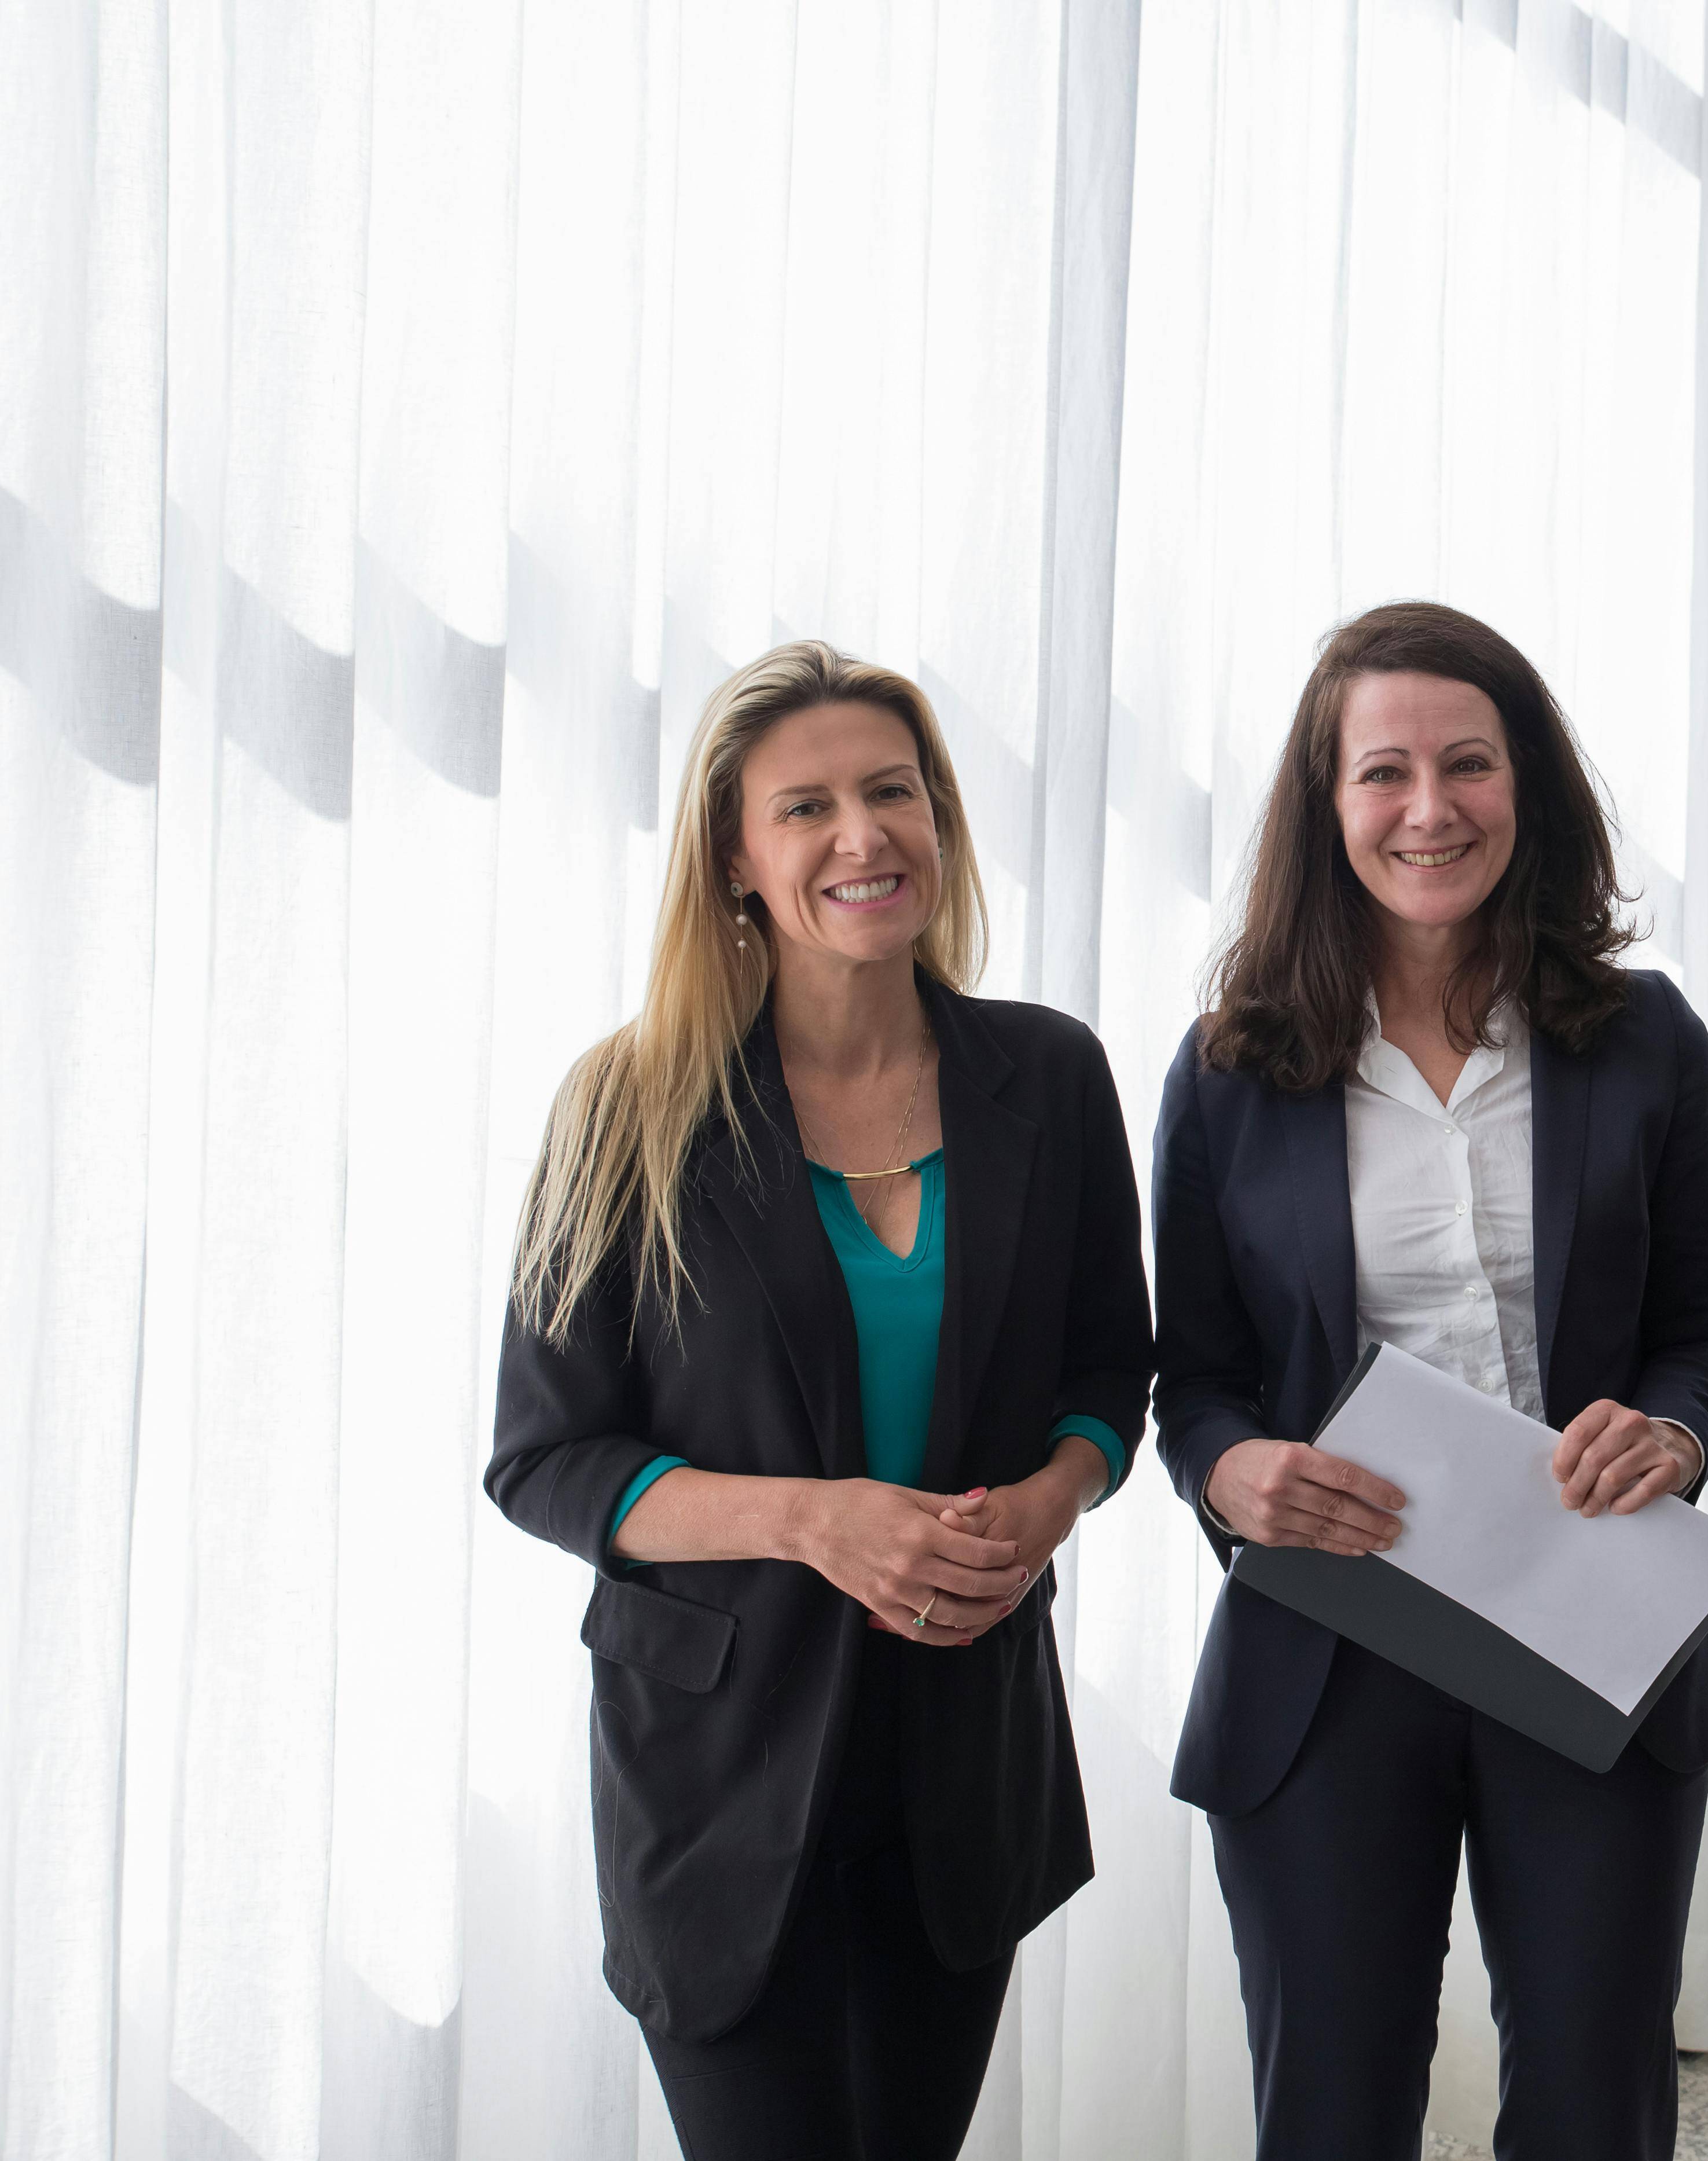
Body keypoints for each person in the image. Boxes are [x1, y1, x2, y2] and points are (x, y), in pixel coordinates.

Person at [487, 641, 1151, 2161]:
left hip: (962, 1749)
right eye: (807, 807)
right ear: (735, 855)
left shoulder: (1048, 1079)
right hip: (717, 1772)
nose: (864, 836)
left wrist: (1054, 1501)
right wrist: (817, 1523)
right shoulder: (627, 1103)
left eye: (891, 792)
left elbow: (1110, 1372)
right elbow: (545, 1458)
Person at [1152, 600, 1708, 2161]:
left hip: (1591, 1612)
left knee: (1593, 2098)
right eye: (1385, 773)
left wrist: (1676, 1430)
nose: (1431, 809)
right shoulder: (1230, 1066)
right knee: (1333, 2105)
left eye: (1469, 765)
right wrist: (1231, 1473)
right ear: (1327, 803)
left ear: (1527, 788)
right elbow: (1196, 1377)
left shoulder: (1645, 1039)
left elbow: (1704, 1332)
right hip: (1331, 1640)